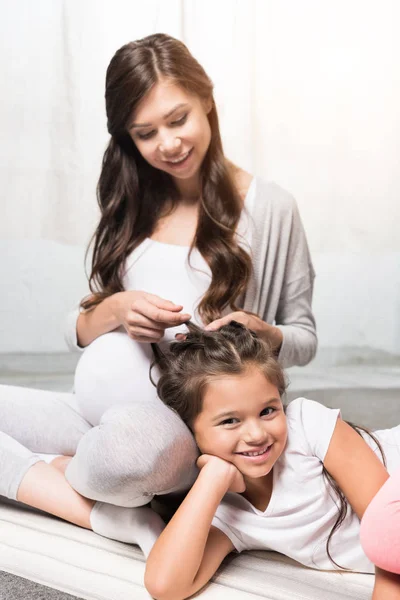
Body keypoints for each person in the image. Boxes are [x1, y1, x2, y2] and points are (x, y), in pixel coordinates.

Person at [0, 33, 316, 544]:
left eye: (177, 119)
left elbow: (304, 336)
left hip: (178, 431)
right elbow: (76, 330)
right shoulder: (133, 201)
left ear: (206, 100)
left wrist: (266, 334)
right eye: (145, 133)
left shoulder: (271, 208)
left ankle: (75, 473)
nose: (167, 144)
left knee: (132, 456)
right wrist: (115, 310)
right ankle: (102, 508)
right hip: (90, 411)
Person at [145, 321, 400, 600]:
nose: (256, 434)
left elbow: (392, 536)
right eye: (230, 421)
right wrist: (212, 478)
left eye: (267, 411)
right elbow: (165, 586)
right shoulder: (228, 513)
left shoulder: (307, 426)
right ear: (191, 429)